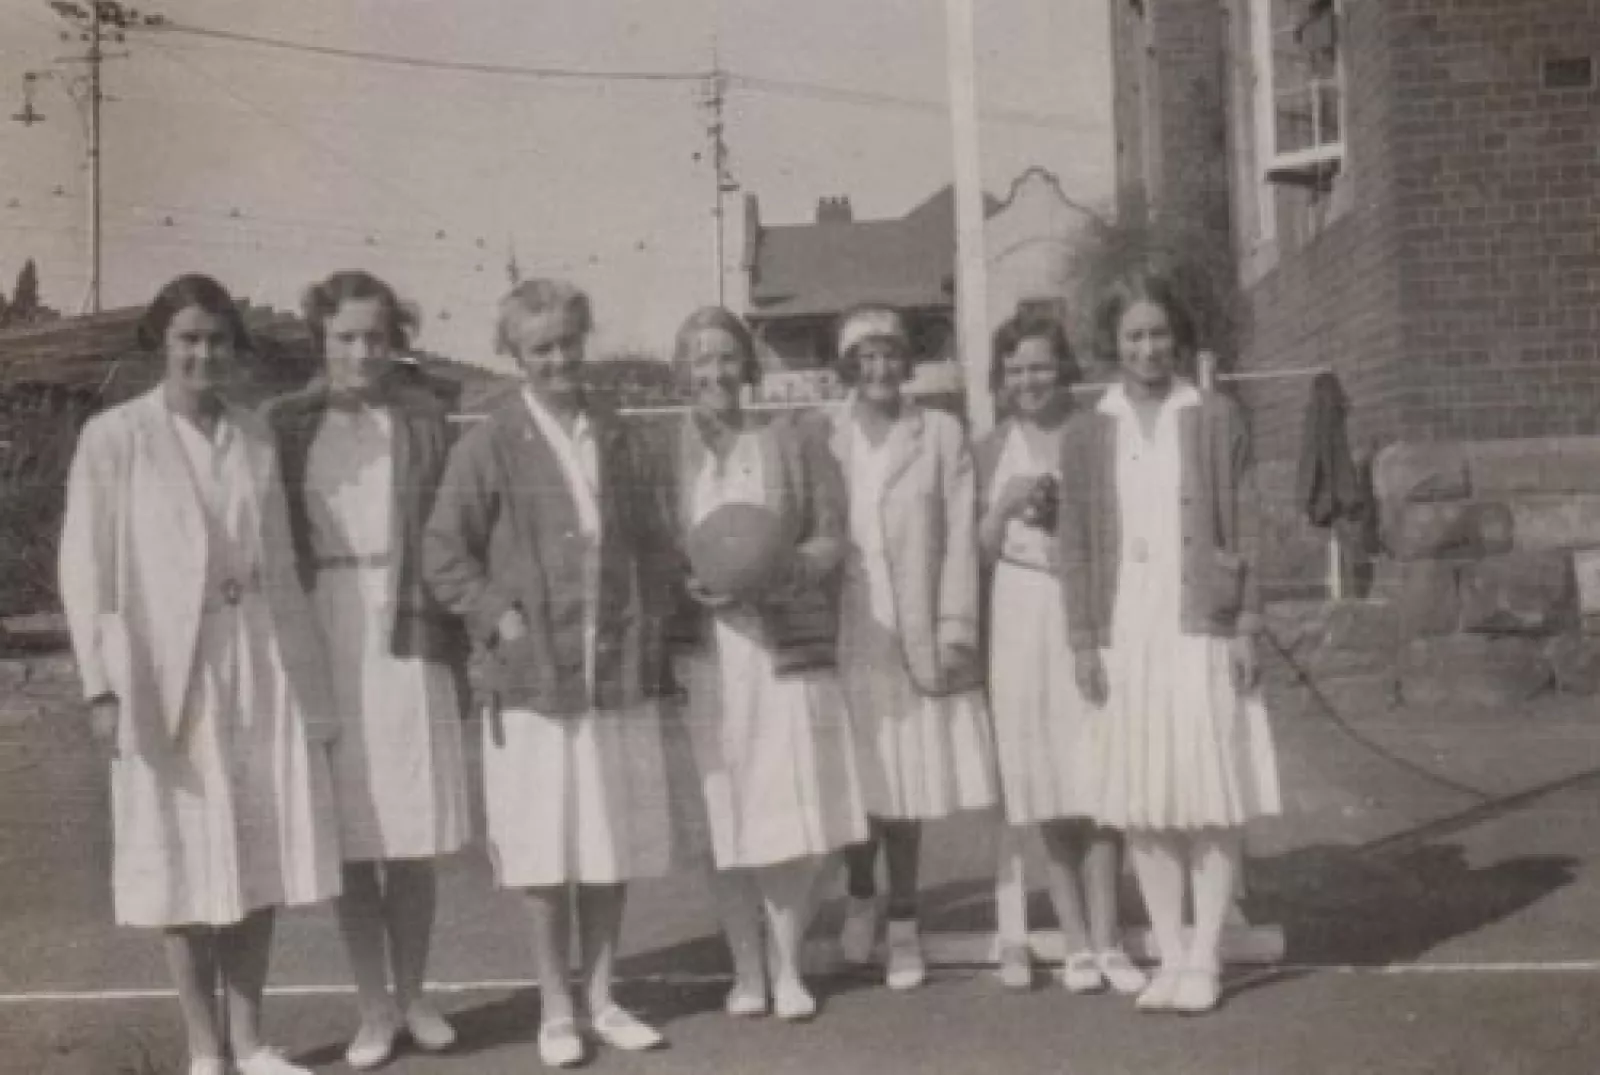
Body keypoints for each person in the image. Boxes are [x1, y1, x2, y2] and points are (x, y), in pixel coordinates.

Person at [58, 274, 341, 1075]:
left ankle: (251, 1041)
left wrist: (307, 686)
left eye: (217, 339)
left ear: (234, 348)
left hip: (256, 665)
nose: (202, 352)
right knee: (179, 852)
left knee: (257, 851)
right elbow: (86, 568)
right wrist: (101, 686)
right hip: (161, 674)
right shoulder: (115, 437)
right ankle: (203, 1046)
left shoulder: (254, 435)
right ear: (162, 343)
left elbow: (281, 567)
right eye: (187, 337)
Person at [423, 279, 674, 1067]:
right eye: (541, 348)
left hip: (614, 672)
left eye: (568, 341)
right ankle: (556, 1006)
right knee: (542, 852)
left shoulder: (620, 433)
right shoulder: (490, 441)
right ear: (516, 355)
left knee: (608, 844)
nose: (559, 358)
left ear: (583, 338)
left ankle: (602, 996)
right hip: (533, 681)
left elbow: (653, 540)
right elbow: (443, 552)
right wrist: (496, 612)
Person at [1057, 270, 1281, 1015]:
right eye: (1134, 335)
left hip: (1201, 626)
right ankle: (1172, 954)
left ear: (1177, 339)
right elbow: (1078, 546)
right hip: (1126, 632)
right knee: (1146, 799)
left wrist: (1248, 623)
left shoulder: (1216, 415)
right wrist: (1085, 641)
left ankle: (1208, 955)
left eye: (1159, 333)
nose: (1149, 348)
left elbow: (1246, 523)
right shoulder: (1090, 431)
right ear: (1113, 345)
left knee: (1208, 792)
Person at [262, 271, 470, 1069]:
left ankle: (414, 993)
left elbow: (459, 528)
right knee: (351, 835)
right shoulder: (285, 424)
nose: (361, 351)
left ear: (396, 340)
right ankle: (373, 1006)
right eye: (345, 336)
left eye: (376, 337)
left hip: (409, 621)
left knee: (411, 832)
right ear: (321, 337)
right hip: (327, 628)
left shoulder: (425, 419)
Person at [664, 306, 868, 1021]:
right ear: (683, 374)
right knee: (727, 817)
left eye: (727, 358)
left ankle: (787, 964)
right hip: (711, 658)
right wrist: (683, 583)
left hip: (784, 650)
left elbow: (832, 537)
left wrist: (784, 574)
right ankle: (746, 968)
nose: (716, 373)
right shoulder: (669, 454)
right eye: (701, 361)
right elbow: (658, 549)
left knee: (796, 815)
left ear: (747, 367)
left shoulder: (793, 441)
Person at [824, 304, 999, 991]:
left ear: (907, 362)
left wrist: (956, 625)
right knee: (856, 783)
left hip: (914, 629)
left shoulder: (941, 433)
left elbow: (959, 536)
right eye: (864, 356)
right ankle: (860, 895)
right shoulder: (823, 435)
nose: (878, 368)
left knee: (903, 786)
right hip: (847, 632)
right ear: (848, 366)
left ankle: (904, 919)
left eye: (890, 354)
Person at [975, 309, 1145, 996]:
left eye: (1040, 366)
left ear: (1063, 368)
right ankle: (1073, 938)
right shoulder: (990, 447)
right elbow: (978, 551)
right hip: (1019, 616)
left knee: (1099, 775)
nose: (1028, 380)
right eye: (1015, 370)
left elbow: (1121, 524)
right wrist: (1002, 507)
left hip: (1086, 610)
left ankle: (1110, 938)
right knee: (1044, 774)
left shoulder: (1095, 434)